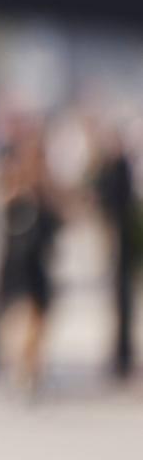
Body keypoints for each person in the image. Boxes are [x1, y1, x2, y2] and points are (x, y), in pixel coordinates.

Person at [0, 119, 63, 396]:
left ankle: (32, 368)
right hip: (16, 262)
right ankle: (17, 368)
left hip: (40, 262)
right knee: (18, 317)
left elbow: (61, 220)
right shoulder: (12, 183)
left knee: (40, 319)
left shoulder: (48, 189)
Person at [94, 128, 136, 381]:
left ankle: (123, 357)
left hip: (125, 244)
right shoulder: (111, 168)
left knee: (123, 300)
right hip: (120, 243)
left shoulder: (121, 168)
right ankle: (120, 356)